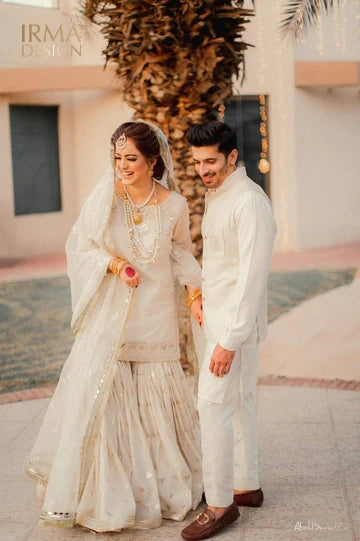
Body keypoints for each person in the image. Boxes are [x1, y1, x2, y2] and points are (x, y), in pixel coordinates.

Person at [27, 120, 205, 532]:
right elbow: (81, 245)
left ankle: (161, 488)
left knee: (155, 395)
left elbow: (180, 254)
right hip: (113, 313)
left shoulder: (175, 205)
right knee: (109, 398)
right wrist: (114, 263)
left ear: (152, 160)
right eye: (117, 158)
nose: (122, 166)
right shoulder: (106, 197)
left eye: (131, 159)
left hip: (156, 311)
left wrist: (195, 296)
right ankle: (107, 493)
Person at [181, 121, 276, 540]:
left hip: (233, 328)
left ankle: (220, 505)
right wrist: (199, 298)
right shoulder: (218, 193)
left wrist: (229, 341)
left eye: (211, 161)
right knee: (239, 403)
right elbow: (223, 265)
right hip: (218, 319)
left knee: (213, 407)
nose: (203, 169)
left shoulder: (249, 202)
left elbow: (252, 277)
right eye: (198, 162)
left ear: (232, 157)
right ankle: (246, 485)